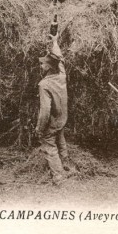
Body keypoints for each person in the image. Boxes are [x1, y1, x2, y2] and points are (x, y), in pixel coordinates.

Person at [36, 33, 71, 185]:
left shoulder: (44, 85)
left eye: (43, 64)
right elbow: (60, 59)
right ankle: (67, 166)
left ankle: (58, 176)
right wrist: (55, 41)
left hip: (51, 122)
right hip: (62, 118)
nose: (40, 65)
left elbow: (45, 110)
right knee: (61, 140)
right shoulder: (61, 76)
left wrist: (40, 128)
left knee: (49, 146)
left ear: (49, 67)